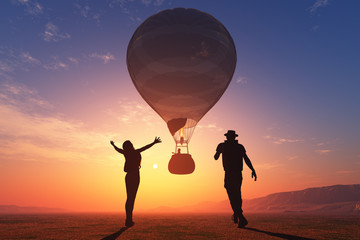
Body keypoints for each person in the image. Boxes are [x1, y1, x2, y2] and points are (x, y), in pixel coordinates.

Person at [110, 137, 161, 227]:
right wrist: (154, 142)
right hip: (135, 176)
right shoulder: (135, 152)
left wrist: (113, 145)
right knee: (131, 198)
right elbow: (145, 147)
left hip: (129, 176)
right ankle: (129, 220)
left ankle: (128, 219)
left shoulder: (126, 153)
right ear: (131, 146)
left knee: (129, 198)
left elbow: (118, 150)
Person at [214, 130, 257, 228]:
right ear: (234, 137)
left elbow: (215, 157)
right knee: (237, 194)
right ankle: (238, 215)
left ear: (227, 137)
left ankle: (240, 216)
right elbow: (246, 159)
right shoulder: (239, 147)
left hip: (229, 174)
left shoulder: (222, 146)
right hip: (238, 174)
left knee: (232, 195)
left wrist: (219, 151)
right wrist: (252, 169)